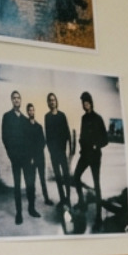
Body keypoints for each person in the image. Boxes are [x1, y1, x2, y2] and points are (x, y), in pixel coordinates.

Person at [0, 89, 37, 224]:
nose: (16, 100)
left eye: (18, 98)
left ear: (20, 101)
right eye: (14, 98)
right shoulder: (7, 117)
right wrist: (11, 155)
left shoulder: (25, 119)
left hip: (26, 158)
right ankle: (19, 213)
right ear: (12, 100)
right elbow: (5, 137)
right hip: (15, 158)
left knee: (30, 184)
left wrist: (31, 156)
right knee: (17, 186)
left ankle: (31, 209)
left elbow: (31, 139)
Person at [70, 91, 107, 222]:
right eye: (83, 103)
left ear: (91, 103)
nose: (85, 105)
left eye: (87, 103)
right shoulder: (83, 118)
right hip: (85, 155)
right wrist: (81, 142)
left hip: (95, 156)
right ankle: (82, 202)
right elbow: (83, 135)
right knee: (76, 176)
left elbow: (105, 139)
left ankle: (98, 216)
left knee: (96, 184)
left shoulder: (98, 118)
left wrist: (97, 145)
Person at [43, 92, 73, 207]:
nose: (52, 102)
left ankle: (68, 199)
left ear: (56, 101)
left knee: (66, 176)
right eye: (50, 100)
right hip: (53, 153)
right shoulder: (47, 117)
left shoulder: (62, 115)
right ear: (48, 103)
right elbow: (48, 135)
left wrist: (70, 150)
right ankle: (62, 199)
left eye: (53, 100)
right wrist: (50, 150)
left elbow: (67, 133)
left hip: (62, 151)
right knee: (58, 177)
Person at [24, 101, 51, 208]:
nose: (31, 112)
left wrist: (37, 152)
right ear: (27, 112)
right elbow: (26, 144)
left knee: (42, 179)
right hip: (31, 158)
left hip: (40, 157)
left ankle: (46, 198)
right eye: (29, 110)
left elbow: (43, 142)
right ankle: (32, 200)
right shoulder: (25, 127)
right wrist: (31, 156)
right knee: (32, 180)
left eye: (32, 110)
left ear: (34, 111)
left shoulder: (39, 126)